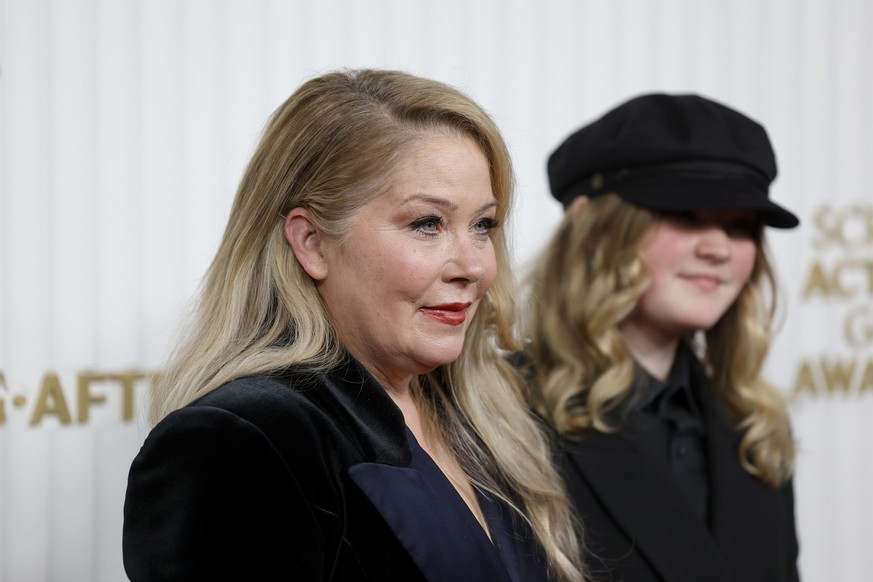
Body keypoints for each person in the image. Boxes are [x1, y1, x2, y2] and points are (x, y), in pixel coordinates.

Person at [122, 68, 585, 582]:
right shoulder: (240, 442)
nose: (474, 266)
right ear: (313, 243)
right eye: (427, 224)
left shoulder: (487, 418)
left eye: (483, 226)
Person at [519, 93, 800, 582]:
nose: (716, 247)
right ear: (594, 229)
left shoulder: (755, 428)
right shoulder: (503, 413)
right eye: (686, 215)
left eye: (740, 226)